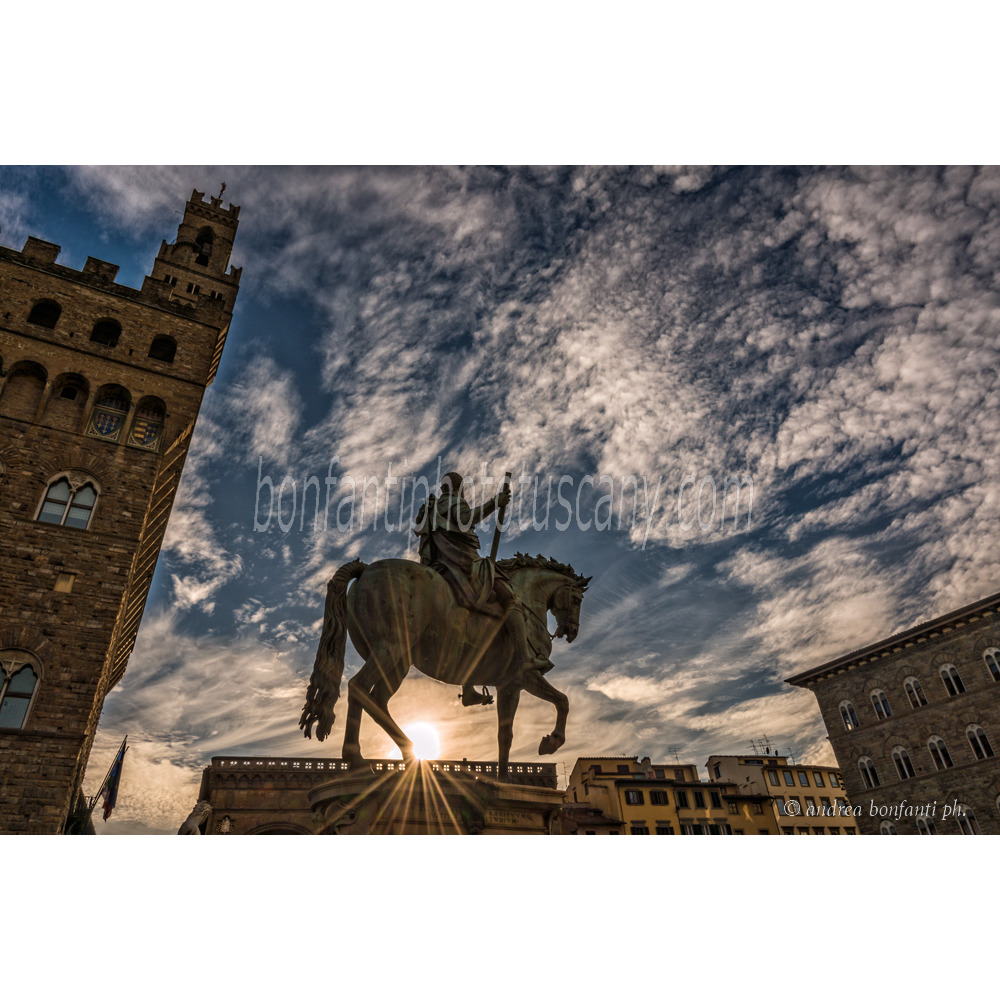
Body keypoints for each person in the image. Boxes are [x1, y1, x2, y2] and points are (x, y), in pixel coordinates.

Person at [415, 471, 551, 706]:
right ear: (459, 487)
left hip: (440, 567)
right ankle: (524, 659)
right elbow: (469, 519)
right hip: (464, 563)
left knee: (469, 617)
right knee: (511, 599)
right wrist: (494, 503)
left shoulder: (432, 507)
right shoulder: (454, 502)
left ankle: (468, 689)